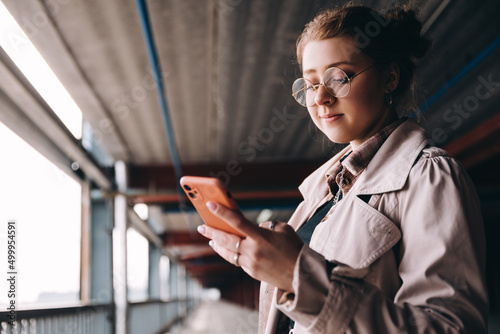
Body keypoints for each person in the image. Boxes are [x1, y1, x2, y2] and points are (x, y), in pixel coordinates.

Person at [196, 4, 489, 333]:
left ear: (389, 77)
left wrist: (299, 276)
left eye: (339, 78)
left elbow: (452, 328)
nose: (320, 97)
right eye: (309, 84)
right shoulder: (321, 194)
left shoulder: (430, 178)